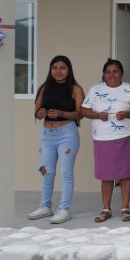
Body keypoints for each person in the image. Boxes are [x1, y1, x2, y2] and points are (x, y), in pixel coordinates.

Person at [29, 55, 85, 225]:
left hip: (67, 133)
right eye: (55, 68)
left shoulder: (75, 89)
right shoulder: (44, 88)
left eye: (63, 68)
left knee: (65, 173)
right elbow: (37, 111)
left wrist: (62, 114)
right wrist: (40, 114)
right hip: (47, 134)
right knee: (46, 171)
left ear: (69, 70)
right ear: (50, 70)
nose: (59, 71)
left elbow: (80, 114)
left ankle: (64, 209)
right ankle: (45, 206)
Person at [81, 59, 130, 223]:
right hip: (102, 138)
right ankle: (106, 208)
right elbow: (84, 110)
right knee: (106, 175)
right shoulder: (95, 90)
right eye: (108, 72)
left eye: (115, 71)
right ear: (103, 74)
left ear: (121, 73)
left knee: (126, 174)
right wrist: (97, 115)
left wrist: (126, 114)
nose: (112, 75)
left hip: (125, 136)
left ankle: (125, 208)